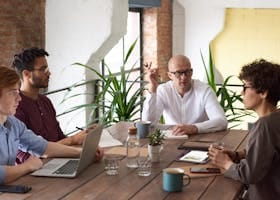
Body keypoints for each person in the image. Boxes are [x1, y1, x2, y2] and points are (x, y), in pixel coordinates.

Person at [0, 66, 102, 184]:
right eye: (12, 93)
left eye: (18, 92)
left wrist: (83, 153)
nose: (19, 99)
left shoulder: (13, 123)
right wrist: (27, 166)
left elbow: (42, 147)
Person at [12, 47, 103, 163]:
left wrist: (82, 138)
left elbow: (60, 138)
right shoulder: (15, 107)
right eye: (43, 69)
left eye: (47, 68)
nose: (49, 73)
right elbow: (26, 158)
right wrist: (72, 140)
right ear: (26, 74)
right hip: (35, 173)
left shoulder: (45, 101)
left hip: (59, 162)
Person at [208, 59, 280, 200]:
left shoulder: (265, 125)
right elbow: (266, 154)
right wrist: (237, 155)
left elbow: (249, 174)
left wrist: (225, 162)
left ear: (263, 92)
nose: (241, 93)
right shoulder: (275, 118)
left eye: (245, 87)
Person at [142, 55, 227, 135]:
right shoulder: (163, 90)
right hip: (172, 138)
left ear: (191, 72)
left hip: (198, 139)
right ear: (170, 75)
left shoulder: (204, 90)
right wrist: (153, 88)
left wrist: (194, 128)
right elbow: (148, 123)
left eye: (187, 72)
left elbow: (221, 121)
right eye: (178, 73)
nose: (184, 77)